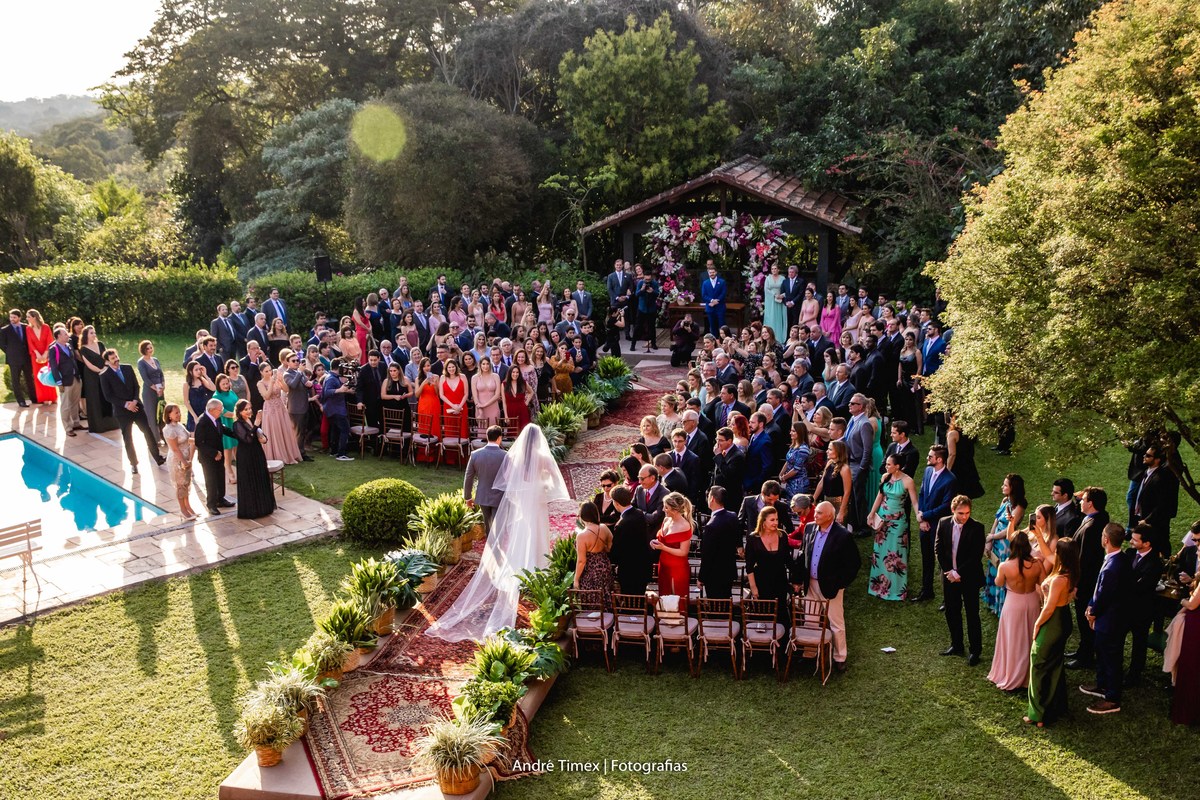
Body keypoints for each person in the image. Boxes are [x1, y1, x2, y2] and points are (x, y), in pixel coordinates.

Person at [429, 426, 569, 641]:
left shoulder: (514, 457)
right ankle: (538, 566)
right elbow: (554, 480)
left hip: (515, 500)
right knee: (537, 532)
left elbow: (508, 479)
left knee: (520, 532)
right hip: (536, 501)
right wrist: (542, 484)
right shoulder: (538, 457)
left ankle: (513, 563)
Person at [795, 501, 862, 672]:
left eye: (819, 513)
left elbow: (854, 564)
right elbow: (802, 553)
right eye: (816, 512)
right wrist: (797, 579)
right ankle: (810, 653)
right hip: (810, 584)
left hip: (831, 587)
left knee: (836, 623)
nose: (815, 515)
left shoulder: (843, 535)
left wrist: (840, 584)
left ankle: (840, 657)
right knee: (810, 619)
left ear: (830, 516)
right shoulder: (809, 528)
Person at [1025, 538, 1080, 727]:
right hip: (1064, 617)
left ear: (1062, 555)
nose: (1053, 553)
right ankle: (1055, 707)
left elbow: (1049, 608)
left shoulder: (1058, 580)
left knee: (1038, 663)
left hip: (1053, 621)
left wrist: (1037, 625)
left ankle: (1037, 714)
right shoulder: (1071, 571)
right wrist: (1039, 535)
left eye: (1057, 551)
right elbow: (1048, 554)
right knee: (1055, 664)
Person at [1080, 523, 1131, 715]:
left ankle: (1112, 698)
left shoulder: (1112, 566)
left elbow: (1104, 595)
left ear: (1106, 539)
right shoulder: (1120, 558)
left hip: (1111, 620)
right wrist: (1091, 604)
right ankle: (1102, 685)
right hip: (1111, 617)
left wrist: (1093, 612)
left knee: (1111, 659)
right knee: (1102, 653)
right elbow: (1099, 589)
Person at [987, 533, 1046, 691]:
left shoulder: (1005, 566)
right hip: (1032, 601)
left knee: (1012, 638)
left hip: (1014, 604)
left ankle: (1011, 673)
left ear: (1012, 546)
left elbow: (999, 583)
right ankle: (1027, 675)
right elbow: (1043, 583)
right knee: (1029, 637)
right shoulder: (1037, 564)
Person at [98, 349, 165, 474]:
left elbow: (136, 386)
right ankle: (133, 463)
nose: (116, 359)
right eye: (113, 358)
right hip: (122, 411)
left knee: (147, 432)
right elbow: (108, 396)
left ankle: (158, 458)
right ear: (107, 361)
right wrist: (126, 405)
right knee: (128, 438)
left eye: (116, 357)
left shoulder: (128, 368)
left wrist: (134, 401)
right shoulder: (104, 375)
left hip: (137, 407)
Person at [936, 495, 986, 665]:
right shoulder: (943, 523)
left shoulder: (977, 528)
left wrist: (958, 573)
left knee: (972, 614)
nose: (964, 516)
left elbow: (975, 557)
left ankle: (975, 651)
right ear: (953, 510)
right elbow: (938, 549)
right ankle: (956, 645)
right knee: (952, 611)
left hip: (969, 577)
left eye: (967, 513)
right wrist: (949, 572)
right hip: (949, 577)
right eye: (961, 513)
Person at [1066, 487, 1111, 669]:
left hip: (1086, 582)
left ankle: (1085, 656)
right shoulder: (1097, 517)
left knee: (1084, 620)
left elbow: (1085, 560)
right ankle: (1082, 650)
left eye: (1083, 499)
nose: (1080, 502)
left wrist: (1076, 584)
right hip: (1086, 580)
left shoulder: (1092, 528)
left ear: (1090, 504)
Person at [867, 453, 918, 601]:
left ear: (897, 466)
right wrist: (872, 514)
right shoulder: (885, 477)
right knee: (880, 552)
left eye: (889, 464)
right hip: (882, 521)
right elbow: (880, 496)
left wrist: (919, 517)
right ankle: (878, 587)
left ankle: (896, 590)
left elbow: (915, 502)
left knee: (896, 555)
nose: (886, 466)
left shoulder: (908, 481)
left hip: (898, 522)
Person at [913, 444, 956, 602]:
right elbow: (922, 493)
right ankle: (927, 591)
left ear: (939, 460)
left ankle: (948, 598)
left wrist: (926, 515)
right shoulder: (927, 471)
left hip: (939, 526)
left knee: (943, 561)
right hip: (925, 524)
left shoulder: (950, 480)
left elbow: (946, 506)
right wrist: (922, 518)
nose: (927, 458)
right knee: (927, 558)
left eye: (930, 456)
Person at [1124, 523, 1164, 687]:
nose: (1131, 542)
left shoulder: (1155, 563)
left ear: (1147, 543)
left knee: (1139, 644)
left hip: (1141, 610)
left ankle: (1134, 675)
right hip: (1124, 607)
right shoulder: (1129, 553)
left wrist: (1124, 582)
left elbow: (1141, 587)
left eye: (1135, 540)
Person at [984, 474, 1028, 617]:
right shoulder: (1005, 500)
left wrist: (993, 537)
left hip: (1006, 544)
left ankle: (1000, 605)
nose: (1002, 487)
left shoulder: (1019, 507)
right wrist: (990, 539)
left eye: (1005, 485)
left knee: (1001, 570)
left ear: (1013, 488)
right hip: (996, 540)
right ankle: (992, 602)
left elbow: (1010, 528)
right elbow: (996, 520)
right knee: (993, 567)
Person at [745, 506, 796, 621]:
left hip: (780, 582)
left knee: (780, 615)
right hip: (762, 583)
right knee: (763, 615)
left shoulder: (782, 535)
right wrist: (753, 588)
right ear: (763, 521)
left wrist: (797, 579)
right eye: (772, 520)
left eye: (777, 519)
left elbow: (788, 560)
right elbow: (749, 566)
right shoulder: (753, 538)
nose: (776, 523)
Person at [1131, 443, 1179, 557]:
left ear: (1157, 460)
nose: (1144, 456)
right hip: (1144, 518)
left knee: (1159, 546)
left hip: (1156, 523)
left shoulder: (1161, 478)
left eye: (1148, 455)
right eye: (1145, 454)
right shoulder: (1147, 472)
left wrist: (1147, 520)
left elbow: (1162, 504)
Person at [1165, 579, 1200, 724]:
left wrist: (1182, 600)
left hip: (1195, 627)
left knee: (1190, 668)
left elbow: (1192, 604)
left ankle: (1187, 712)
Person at [464, 425, 508, 533]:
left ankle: (490, 542)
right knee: (498, 528)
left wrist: (467, 497)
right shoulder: (506, 456)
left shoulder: (475, 455)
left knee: (488, 526)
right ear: (499, 438)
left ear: (487, 437)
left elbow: (468, 477)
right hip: (500, 497)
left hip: (483, 495)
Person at [699, 486, 740, 600]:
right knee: (726, 602)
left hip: (714, 575)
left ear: (712, 499)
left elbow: (707, 555)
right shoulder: (733, 516)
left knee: (716, 606)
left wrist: (701, 577)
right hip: (729, 571)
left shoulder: (711, 526)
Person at [257, 362, 302, 464]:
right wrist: (271, 383)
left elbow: (286, 390)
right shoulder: (260, 383)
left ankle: (288, 453)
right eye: (266, 371)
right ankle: (276, 455)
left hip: (280, 407)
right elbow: (266, 396)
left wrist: (281, 380)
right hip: (270, 409)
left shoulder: (276, 378)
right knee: (274, 430)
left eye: (270, 370)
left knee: (284, 429)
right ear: (261, 372)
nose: (269, 372)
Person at [651, 492, 693, 597]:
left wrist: (663, 547)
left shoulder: (684, 526)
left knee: (676, 598)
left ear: (674, 510)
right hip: (663, 565)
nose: (663, 510)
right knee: (664, 596)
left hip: (677, 568)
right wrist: (654, 541)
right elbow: (662, 539)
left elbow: (683, 552)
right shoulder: (666, 520)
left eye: (666, 507)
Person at [161, 403, 198, 521]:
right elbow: (175, 448)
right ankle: (183, 509)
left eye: (179, 412)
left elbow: (186, 439)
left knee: (186, 483)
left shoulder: (179, 425)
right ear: (169, 415)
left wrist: (197, 441)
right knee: (180, 485)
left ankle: (188, 506)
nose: (178, 414)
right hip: (177, 460)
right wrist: (184, 462)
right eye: (176, 412)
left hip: (186, 457)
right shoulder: (168, 430)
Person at [77, 325, 118, 432]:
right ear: (86, 335)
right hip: (92, 377)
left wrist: (107, 368)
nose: (94, 334)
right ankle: (99, 426)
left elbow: (107, 358)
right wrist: (100, 371)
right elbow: (89, 365)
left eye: (94, 332)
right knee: (96, 399)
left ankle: (112, 424)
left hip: (104, 373)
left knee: (107, 397)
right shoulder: (83, 349)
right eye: (91, 333)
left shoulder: (100, 344)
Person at [574, 501, 614, 605]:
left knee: (592, 599)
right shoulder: (604, 528)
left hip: (590, 571)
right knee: (606, 595)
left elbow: (581, 561)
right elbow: (610, 547)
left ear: (582, 516)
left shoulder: (581, 536)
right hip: (605, 567)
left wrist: (576, 579)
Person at [48, 326, 83, 436]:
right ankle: (68, 428)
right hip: (65, 381)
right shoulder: (53, 349)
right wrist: (59, 383)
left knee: (75, 403)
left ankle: (76, 423)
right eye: (65, 334)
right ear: (58, 336)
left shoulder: (69, 346)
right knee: (66, 405)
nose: (68, 335)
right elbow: (54, 367)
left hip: (75, 378)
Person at [282, 352, 316, 461]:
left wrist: (309, 385)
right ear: (288, 363)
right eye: (294, 361)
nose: (296, 362)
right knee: (298, 433)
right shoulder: (287, 374)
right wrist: (300, 372)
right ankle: (298, 454)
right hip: (296, 408)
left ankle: (301, 452)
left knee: (302, 432)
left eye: (298, 360)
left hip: (303, 406)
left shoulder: (298, 372)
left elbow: (305, 384)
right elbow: (292, 385)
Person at [1, 309, 37, 406]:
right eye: (11, 317)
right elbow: (2, 344)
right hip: (14, 359)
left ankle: (34, 398)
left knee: (29, 379)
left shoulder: (26, 327)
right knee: (15, 381)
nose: (12, 319)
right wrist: (11, 352)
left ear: (19, 318)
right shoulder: (5, 330)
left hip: (26, 358)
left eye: (14, 317)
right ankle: (21, 401)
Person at [322, 359, 356, 461]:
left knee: (336, 430)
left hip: (333, 409)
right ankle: (341, 454)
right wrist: (339, 390)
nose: (345, 370)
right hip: (336, 409)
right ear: (339, 367)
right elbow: (327, 392)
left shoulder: (332, 377)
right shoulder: (331, 378)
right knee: (345, 430)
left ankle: (334, 451)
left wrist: (347, 391)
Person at [812, 440, 852, 525]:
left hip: (838, 504)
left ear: (838, 451)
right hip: (826, 502)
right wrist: (813, 499)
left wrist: (841, 511)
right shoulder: (829, 463)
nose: (827, 451)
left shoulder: (845, 469)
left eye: (830, 449)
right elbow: (822, 483)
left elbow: (847, 492)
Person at [945, 413, 985, 498]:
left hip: (957, 468)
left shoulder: (952, 434)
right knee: (966, 498)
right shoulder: (969, 433)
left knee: (954, 497)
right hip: (969, 467)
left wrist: (947, 471)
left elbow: (952, 454)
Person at [212, 373, 240, 485]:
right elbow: (223, 412)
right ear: (218, 385)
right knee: (227, 449)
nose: (226, 385)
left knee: (237, 448)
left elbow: (237, 403)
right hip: (225, 423)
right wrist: (236, 415)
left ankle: (242, 470)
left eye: (227, 383)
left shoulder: (231, 392)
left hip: (235, 422)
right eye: (223, 384)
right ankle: (229, 472)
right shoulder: (216, 396)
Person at [25, 309, 56, 404]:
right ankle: (43, 398)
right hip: (35, 356)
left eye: (28, 317)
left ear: (34, 317)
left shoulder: (46, 327)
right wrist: (37, 354)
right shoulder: (28, 329)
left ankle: (52, 397)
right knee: (38, 376)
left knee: (49, 374)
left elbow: (50, 340)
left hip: (47, 354)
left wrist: (46, 353)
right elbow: (30, 343)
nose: (27, 318)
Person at [700, 263, 727, 336]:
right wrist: (712, 300)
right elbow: (704, 295)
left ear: (716, 272)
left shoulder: (722, 282)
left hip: (720, 307)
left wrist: (716, 301)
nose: (712, 274)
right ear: (708, 273)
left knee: (722, 326)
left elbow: (723, 293)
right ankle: (715, 340)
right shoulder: (705, 283)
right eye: (710, 272)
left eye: (713, 272)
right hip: (710, 308)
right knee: (712, 327)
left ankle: (723, 340)